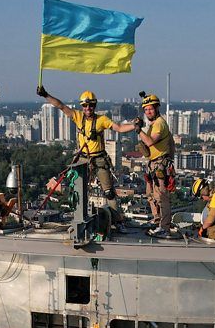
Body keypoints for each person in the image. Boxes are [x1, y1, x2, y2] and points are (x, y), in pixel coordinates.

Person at [36, 86, 139, 232]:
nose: (88, 108)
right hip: (83, 158)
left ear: (94, 106)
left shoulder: (101, 120)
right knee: (79, 190)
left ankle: (118, 221)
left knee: (109, 192)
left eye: (91, 105)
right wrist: (46, 95)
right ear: (82, 107)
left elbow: (119, 128)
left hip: (98, 159)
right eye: (85, 105)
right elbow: (60, 106)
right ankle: (79, 219)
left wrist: (135, 126)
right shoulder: (78, 117)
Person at [134, 94, 176, 236]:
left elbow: (150, 141)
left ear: (157, 108)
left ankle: (164, 227)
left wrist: (139, 130)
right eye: (146, 110)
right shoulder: (154, 124)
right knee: (151, 195)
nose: (148, 112)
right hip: (153, 164)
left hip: (159, 165)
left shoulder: (159, 124)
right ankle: (157, 220)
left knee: (162, 197)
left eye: (150, 109)